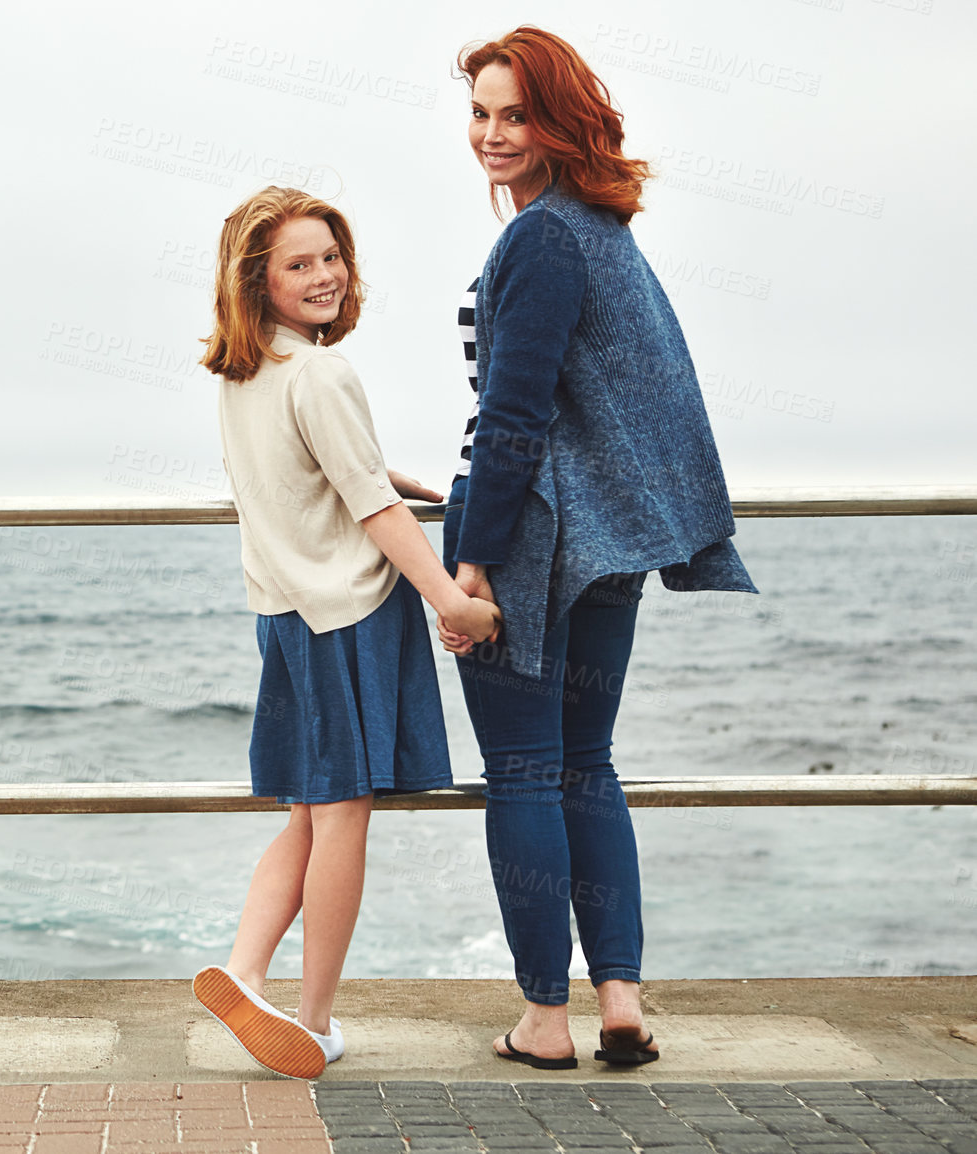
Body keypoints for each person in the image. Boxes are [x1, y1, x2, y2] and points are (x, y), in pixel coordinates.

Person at [437, 26, 757, 1070]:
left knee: (522, 772)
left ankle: (542, 1018)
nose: (491, 134)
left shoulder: (541, 237)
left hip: (532, 540)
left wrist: (472, 556)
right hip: (608, 541)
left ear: (560, 119)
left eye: (513, 113)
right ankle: (618, 996)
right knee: (587, 765)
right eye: (480, 112)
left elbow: (515, 413)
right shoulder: (603, 229)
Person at [193, 185, 502, 1080]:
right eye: (300, 264)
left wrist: (402, 479)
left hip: (285, 618)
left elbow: (329, 466)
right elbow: (368, 505)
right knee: (344, 823)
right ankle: (315, 1017)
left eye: (331, 256)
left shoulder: (248, 376)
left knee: (308, 812)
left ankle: (244, 970)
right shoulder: (322, 375)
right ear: (259, 284)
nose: (324, 275)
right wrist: (451, 599)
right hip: (350, 618)